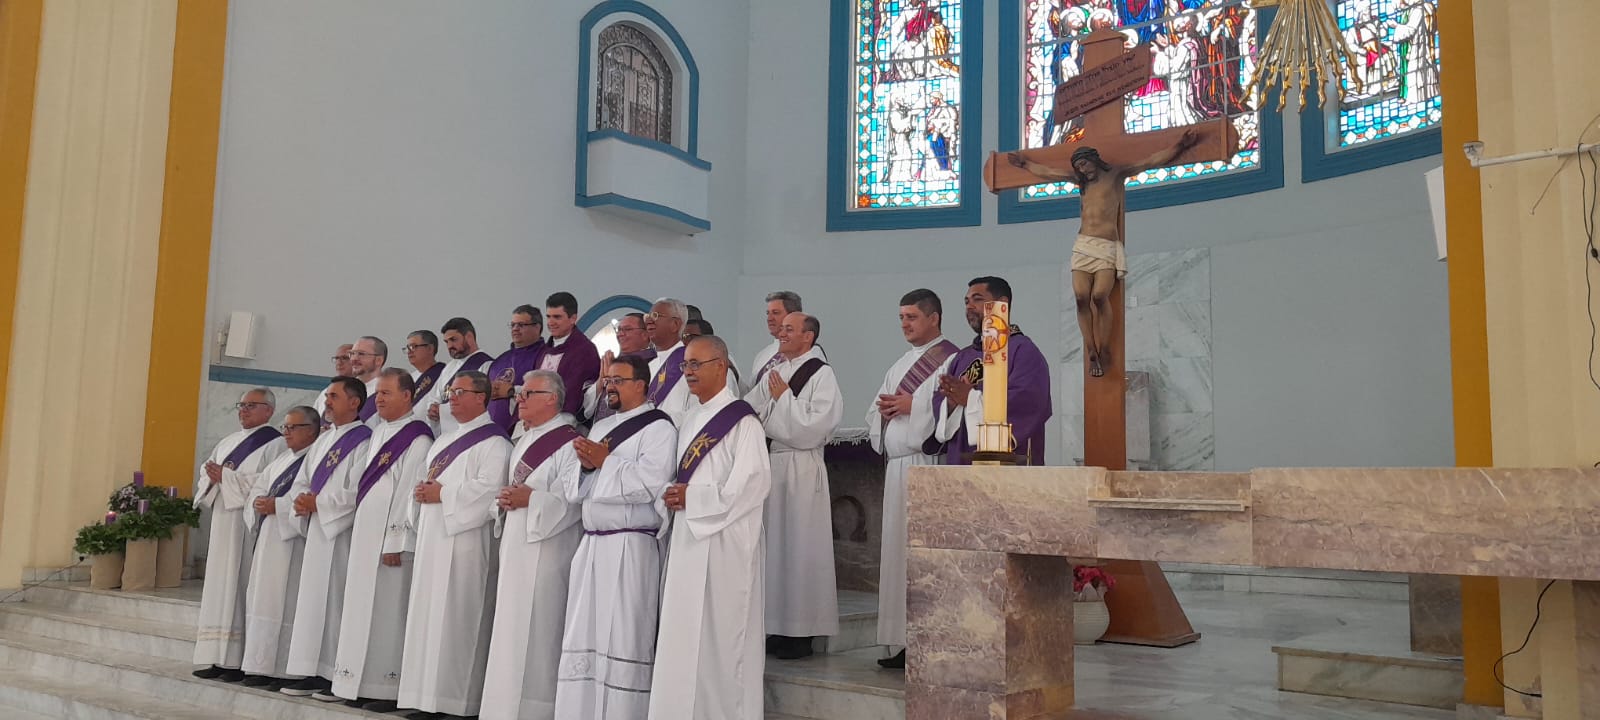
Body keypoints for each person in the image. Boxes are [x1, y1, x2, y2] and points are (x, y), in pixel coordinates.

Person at [648, 336, 771, 720]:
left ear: (722, 365)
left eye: (696, 364)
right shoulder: (690, 419)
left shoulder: (743, 420)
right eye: (685, 365)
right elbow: (677, 478)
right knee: (683, 631)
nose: (688, 372)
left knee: (722, 635)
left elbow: (753, 483)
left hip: (725, 543)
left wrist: (694, 499)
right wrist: (670, 496)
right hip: (688, 538)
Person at [1008, 131, 1198, 376]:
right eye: (1078, 167)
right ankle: (1091, 349)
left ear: (1094, 159)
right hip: (1083, 245)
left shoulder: (1116, 174)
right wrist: (1025, 163)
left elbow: (1151, 161)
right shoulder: (1081, 183)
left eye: (1084, 163)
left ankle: (1105, 347)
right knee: (1080, 296)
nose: (1083, 169)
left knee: (1099, 296)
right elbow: (1049, 173)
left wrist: (1180, 145)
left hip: (1106, 246)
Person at [555, 354, 676, 719]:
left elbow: (651, 484)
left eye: (619, 380)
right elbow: (574, 485)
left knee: (623, 632)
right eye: (608, 380)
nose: (609, 386)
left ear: (642, 384)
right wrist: (590, 466)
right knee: (585, 634)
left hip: (629, 544)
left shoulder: (659, 428)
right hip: (592, 542)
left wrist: (604, 462)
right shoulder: (602, 427)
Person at [398, 371, 512, 718]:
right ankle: (422, 696)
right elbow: (427, 479)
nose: (453, 399)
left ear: (482, 396)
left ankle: (454, 701)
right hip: (434, 536)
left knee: (459, 616)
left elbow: (489, 491)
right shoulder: (444, 440)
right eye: (450, 393)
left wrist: (442, 493)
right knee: (428, 615)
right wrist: (419, 493)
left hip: (464, 543)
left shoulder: (496, 443)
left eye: (460, 392)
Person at [328, 369, 435, 711]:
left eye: (387, 393)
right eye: (380, 394)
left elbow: (408, 492)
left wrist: (395, 541)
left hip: (390, 544)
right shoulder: (378, 433)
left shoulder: (418, 438)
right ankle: (354, 681)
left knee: (387, 611)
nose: (381, 399)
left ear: (408, 395)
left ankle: (384, 688)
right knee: (360, 608)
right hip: (365, 534)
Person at [481, 370, 584, 720]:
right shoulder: (523, 438)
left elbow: (573, 501)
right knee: (510, 624)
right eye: (520, 393)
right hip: (516, 543)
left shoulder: (570, 442)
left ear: (552, 398)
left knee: (541, 624)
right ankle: (503, 706)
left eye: (528, 393)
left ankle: (536, 707)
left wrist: (533, 501)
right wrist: (505, 501)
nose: (519, 399)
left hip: (548, 549)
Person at [867, 289, 958, 669]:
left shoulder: (952, 358)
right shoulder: (900, 363)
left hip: (926, 466)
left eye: (912, 317)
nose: (904, 324)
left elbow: (954, 407)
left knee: (922, 557)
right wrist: (886, 410)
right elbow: (877, 406)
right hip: (898, 468)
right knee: (898, 556)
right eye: (901, 318)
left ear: (933, 317)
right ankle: (901, 641)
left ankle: (928, 640)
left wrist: (912, 406)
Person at [742, 313, 841, 660]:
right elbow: (749, 411)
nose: (780, 334)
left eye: (789, 329)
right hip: (774, 465)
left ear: (808, 336)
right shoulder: (777, 371)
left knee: (801, 549)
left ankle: (802, 632)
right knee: (776, 549)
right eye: (780, 328)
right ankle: (776, 625)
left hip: (801, 467)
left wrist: (783, 401)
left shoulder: (821, 374)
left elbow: (813, 427)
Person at [279, 377, 375, 698]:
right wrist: (302, 502)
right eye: (327, 397)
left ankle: (334, 673)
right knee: (313, 601)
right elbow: (303, 480)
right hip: (318, 532)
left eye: (334, 396)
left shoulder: (364, 441)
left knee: (335, 602)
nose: (328, 402)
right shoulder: (322, 441)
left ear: (355, 402)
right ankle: (309, 669)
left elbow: (359, 490)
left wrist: (318, 504)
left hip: (342, 535)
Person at [193, 388, 287, 681]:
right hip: (223, 519)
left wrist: (228, 477)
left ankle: (238, 658)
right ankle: (216, 656)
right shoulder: (227, 442)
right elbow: (207, 475)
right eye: (241, 405)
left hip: (247, 526)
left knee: (242, 583)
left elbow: (269, 482)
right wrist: (212, 476)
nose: (243, 410)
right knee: (220, 586)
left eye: (251, 406)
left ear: (269, 411)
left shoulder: (276, 443)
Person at [237, 407, 321, 687]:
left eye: (292, 428)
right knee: (263, 600)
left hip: (292, 543)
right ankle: (258, 665)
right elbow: (259, 488)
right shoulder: (281, 460)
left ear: (311, 430)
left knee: (287, 602)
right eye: (285, 427)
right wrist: (259, 503)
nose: (286, 433)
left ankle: (283, 669)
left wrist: (280, 506)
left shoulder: (315, 459)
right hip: (268, 538)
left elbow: (308, 496)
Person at [933, 277, 1053, 466]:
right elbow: (939, 401)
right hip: (961, 466)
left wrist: (970, 399)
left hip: (1008, 466)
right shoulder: (962, 357)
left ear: (1002, 304)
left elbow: (1028, 401)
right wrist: (950, 403)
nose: (969, 306)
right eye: (966, 301)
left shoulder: (1023, 351)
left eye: (977, 299)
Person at [537, 292, 601, 421]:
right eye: (548, 317)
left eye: (557, 317)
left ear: (573, 318)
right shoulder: (544, 350)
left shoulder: (585, 350)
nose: (551, 322)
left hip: (565, 421)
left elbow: (585, 393)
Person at [430, 317, 495, 435]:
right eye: (446, 342)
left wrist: (442, 411)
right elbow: (437, 397)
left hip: (473, 432)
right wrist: (434, 410)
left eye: (453, 340)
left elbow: (484, 403)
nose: (449, 346)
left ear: (469, 337)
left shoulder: (487, 365)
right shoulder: (448, 368)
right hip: (446, 436)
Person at [488, 306, 547, 432]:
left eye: (521, 325)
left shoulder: (546, 357)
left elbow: (546, 393)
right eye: (513, 325)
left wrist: (511, 391)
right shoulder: (498, 362)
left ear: (537, 327)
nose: (515, 329)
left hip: (525, 430)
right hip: (492, 432)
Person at [643, 298, 692, 425]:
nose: (648, 320)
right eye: (647, 316)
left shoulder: (691, 363)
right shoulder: (649, 367)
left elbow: (697, 411)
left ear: (675, 324)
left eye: (655, 316)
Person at [746, 291, 802, 393]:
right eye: (768, 313)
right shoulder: (762, 355)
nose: (769, 318)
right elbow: (751, 394)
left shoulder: (807, 350)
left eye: (775, 313)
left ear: (793, 315)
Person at [405, 330, 447, 425]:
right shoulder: (409, 378)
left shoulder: (444, 373)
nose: (409, 351)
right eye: (407, 348)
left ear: (430, 348)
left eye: (414, 346)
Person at [314, 344, 355, 427]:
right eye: (336, 358)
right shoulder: (325, 393)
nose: (339, 363)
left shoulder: (363, 393)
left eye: (345, 358)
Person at [349, 336, 388, 424]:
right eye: (352, 353)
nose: (354, 359)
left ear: (379, 360)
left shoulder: (387, 392)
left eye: (361, 354)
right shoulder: (342, 389)